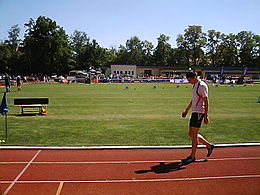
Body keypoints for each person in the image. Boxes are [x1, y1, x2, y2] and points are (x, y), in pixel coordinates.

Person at [181, 72, 214, 164]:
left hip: (199, 112)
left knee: (194, 135)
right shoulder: (195, 85)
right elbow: (194, 99)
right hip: (195, 112)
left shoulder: (202, 86)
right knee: (191, 134)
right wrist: (186, 110)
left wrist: (206, 115)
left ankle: (192, 156)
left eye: (189, 80)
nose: (189, 82)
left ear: (194, 77)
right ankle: (209, 146)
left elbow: (206, 101)